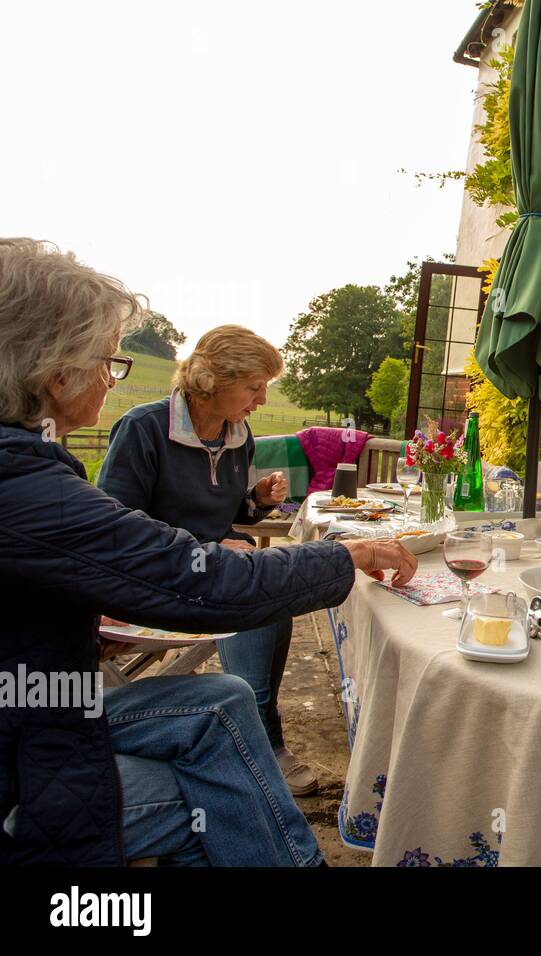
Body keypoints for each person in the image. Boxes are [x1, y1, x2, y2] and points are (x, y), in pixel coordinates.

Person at [0, 238, 416, 865]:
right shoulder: (28, 480)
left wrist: (252, 506)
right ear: (55, 371)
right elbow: (173, 566)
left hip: (50, 693)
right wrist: (347, 556)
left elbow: (68, 563)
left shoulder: (28, 464)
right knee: (227, 792)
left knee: (225, 700)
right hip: (27, 749)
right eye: (107, 360)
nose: (112, 375)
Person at [97, 325, 318, 795]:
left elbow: (230, 512)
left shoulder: (237, 433)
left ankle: (259, 734)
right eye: (254, 387)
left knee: (271, 589)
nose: (260, 400)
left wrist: (255, 500)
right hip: (156, 578)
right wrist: (205, 550)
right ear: (212, 380)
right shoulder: (144, 428)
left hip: (217, 568)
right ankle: (261, 744)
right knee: (251, 594)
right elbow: (115, 530)